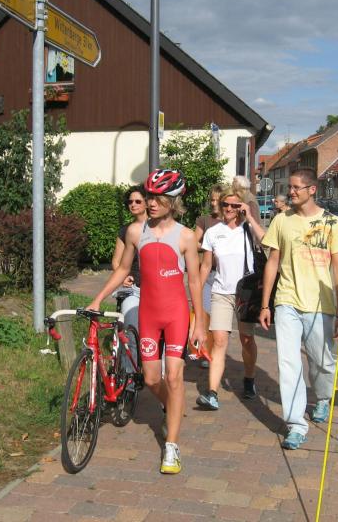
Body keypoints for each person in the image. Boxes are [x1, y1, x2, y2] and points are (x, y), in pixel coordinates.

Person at [88, 169, 205, 474]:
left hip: (176, 314)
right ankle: (173, 407)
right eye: (150, 196)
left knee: (174, 377)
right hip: (149, 313)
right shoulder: (135, 232)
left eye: (158, 198)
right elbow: (121, 269)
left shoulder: (186, 236)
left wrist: (199, 324)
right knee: (152, 379)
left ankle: (172, 446)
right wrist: (98, 298)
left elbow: (194, 281)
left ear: (173, 201)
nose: (151, 203)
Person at [258, 167, 338, 450]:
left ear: (312, 190)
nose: (291, 192)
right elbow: (273, 261)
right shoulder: (281, 220)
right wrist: (266, 303)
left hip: (321, 303)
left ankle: (323, 397)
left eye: (297, 187)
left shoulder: (332, 223)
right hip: (287, 301)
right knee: (288, 363)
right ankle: (296, 424)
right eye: (290, 187)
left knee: (322, 362)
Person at [197, 184, 266, 409]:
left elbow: (267, 241)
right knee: (219, 341)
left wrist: (250, 217)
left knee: (247, 339)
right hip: (221, 292)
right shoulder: (213, 232)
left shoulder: (248, 228)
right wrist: (196, 289)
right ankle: (212, 393)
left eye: (234, 205)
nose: (228, 208)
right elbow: (206, 265)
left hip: (246, 293)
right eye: (225, 204)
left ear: (241, 206)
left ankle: (249, 379)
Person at [194, 184, 225, 368]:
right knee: (205, 313)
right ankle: (206, 352)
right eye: (211, 200)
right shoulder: (204, 220)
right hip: (207, 273)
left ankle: (216, 350)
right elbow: (193, 242)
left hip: (224, 276)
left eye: (217, 200)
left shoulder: (231, 221)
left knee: (218, 318)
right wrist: (208, 244)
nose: (213, 203)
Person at [111, 185, 148, 336]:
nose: (133, 204)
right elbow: (116, 262)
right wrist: (124, 278)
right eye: (130, 202)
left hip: (155, 288)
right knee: (131, 328)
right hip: (133, 288)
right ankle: (130, 351)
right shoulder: (125, 230)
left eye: (138, 201)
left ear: (147, 203)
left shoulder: (157, 227)